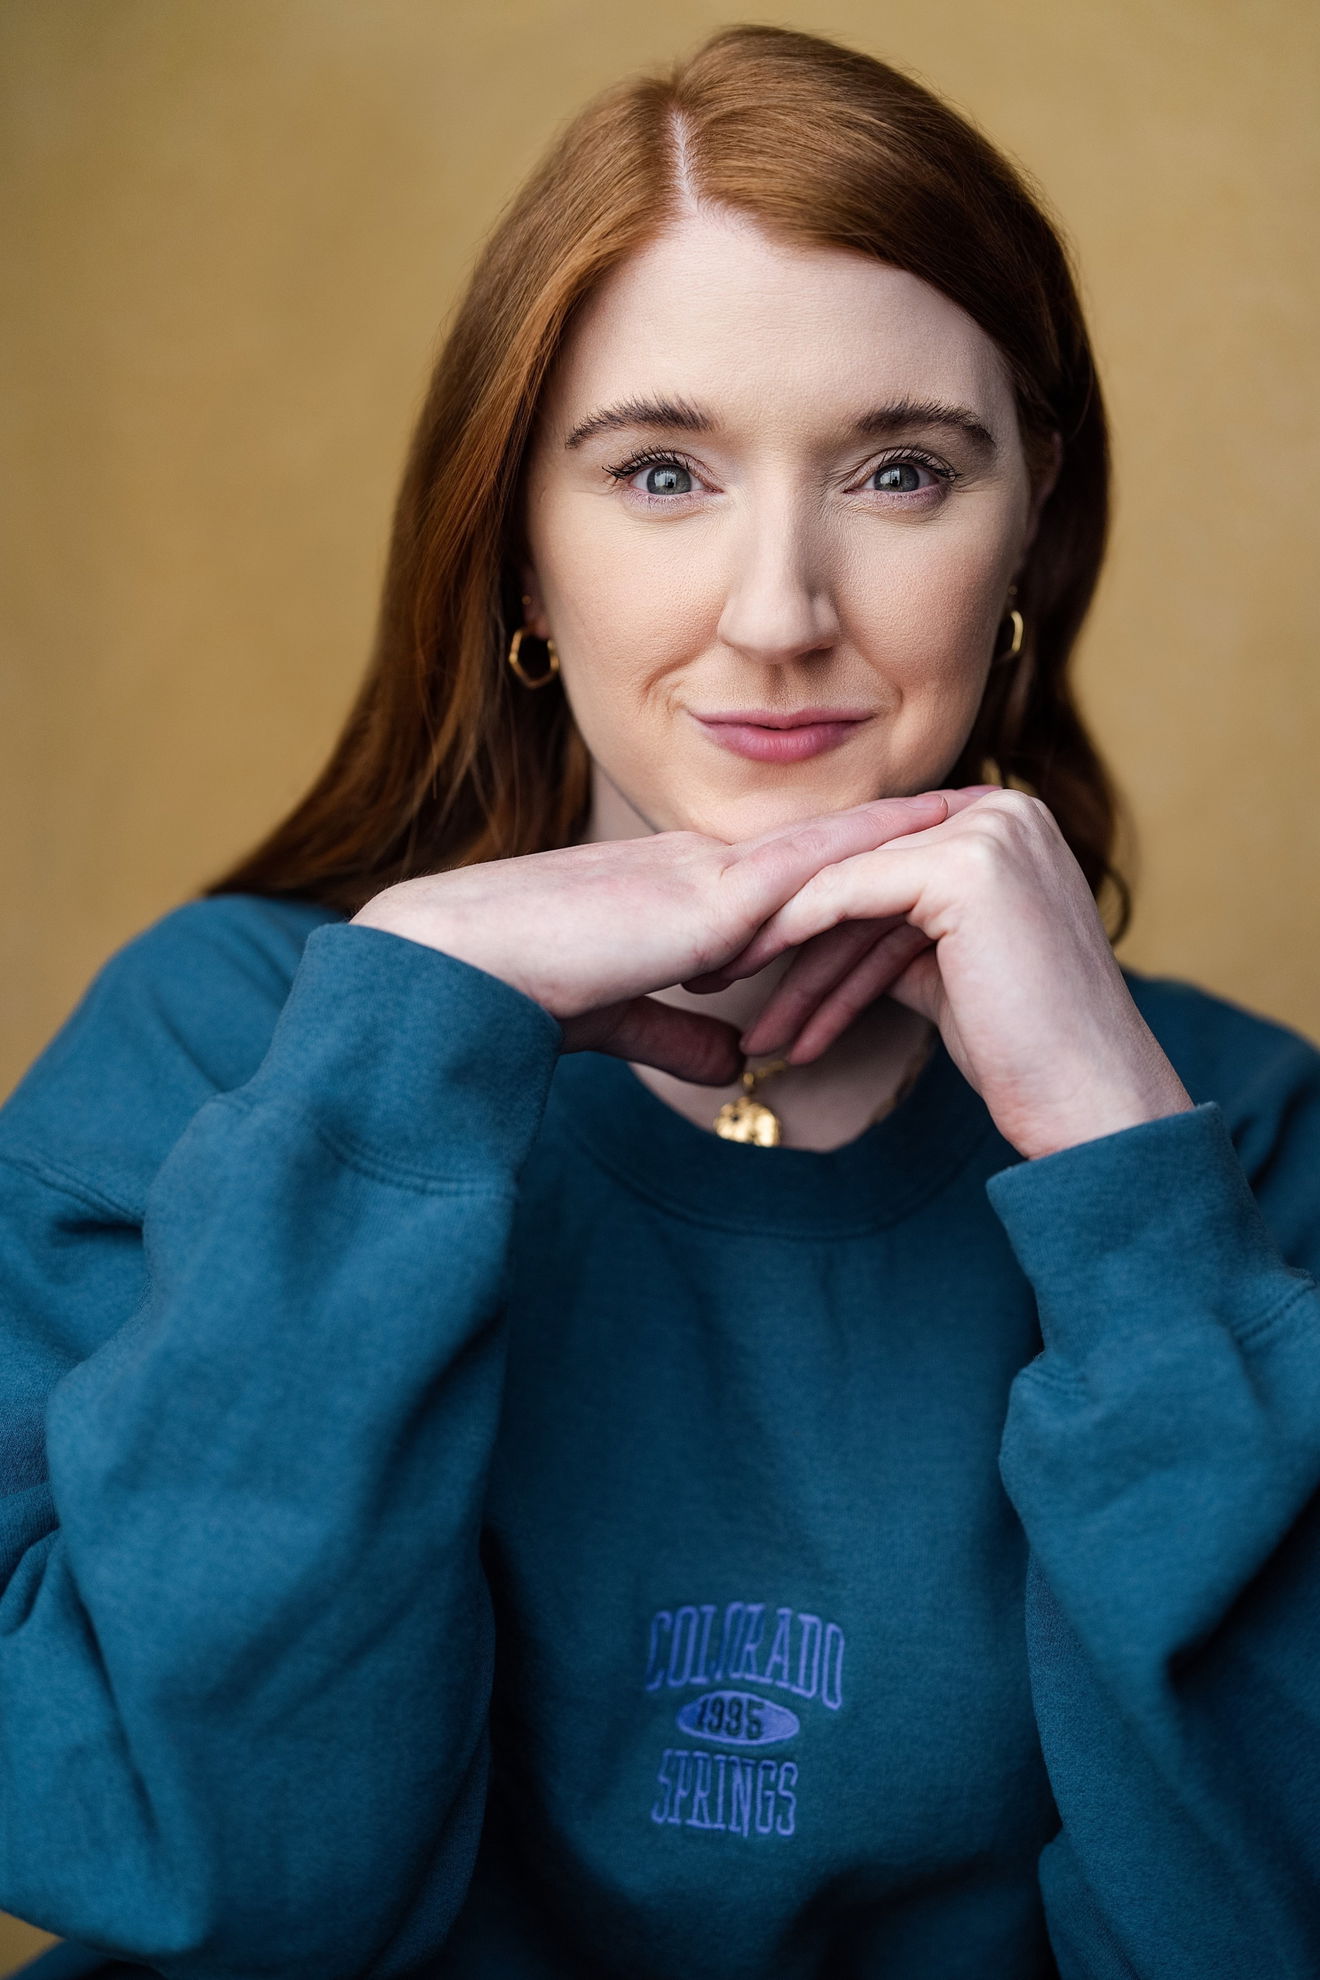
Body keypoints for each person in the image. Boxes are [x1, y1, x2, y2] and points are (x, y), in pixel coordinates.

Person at [3, 22, 1318, 1980]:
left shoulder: (1238, 1138)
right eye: (661, 472)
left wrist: (1126, 1189)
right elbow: (218, 1885)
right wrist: (405, 1063)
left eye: (900, 470)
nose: (778, 612)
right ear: (521, 551)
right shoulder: (223, 1049)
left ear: (1029, 525)